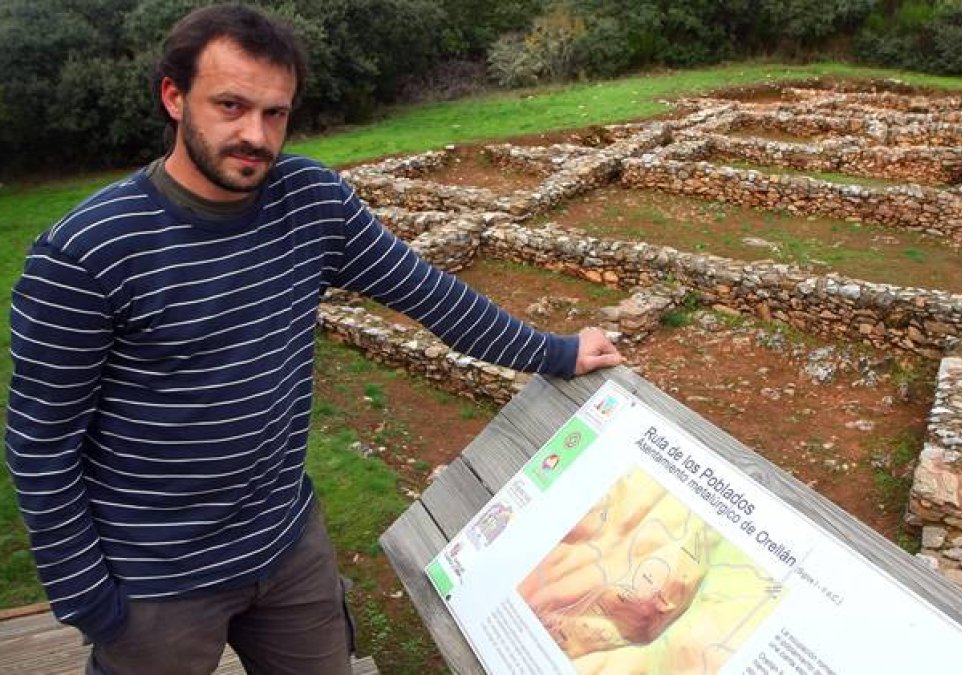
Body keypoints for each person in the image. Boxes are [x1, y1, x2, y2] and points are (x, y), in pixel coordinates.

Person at [4, 4, 621, 674]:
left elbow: (428, 293)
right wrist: (89, 599)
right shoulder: (86, 251)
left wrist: (556, 351)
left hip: (287, 546)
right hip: (158, 583)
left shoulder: (309, 200)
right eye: (231, 105)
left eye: (275, 113)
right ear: (173, 96)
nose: (255, 135)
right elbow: (40, 444)